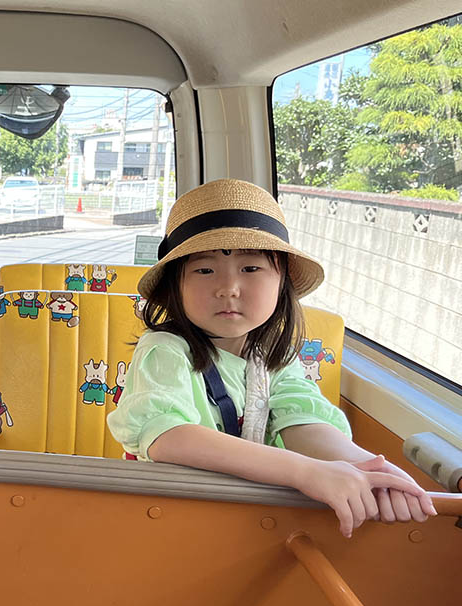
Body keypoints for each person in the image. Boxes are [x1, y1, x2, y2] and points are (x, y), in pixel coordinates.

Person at [107, 179, 435, 538]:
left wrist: (362, 466)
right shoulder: (164, 350)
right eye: (204, 270)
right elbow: (169, 437)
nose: (228, 288)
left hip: (245, 522)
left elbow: (304, 423)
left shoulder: (274, 361)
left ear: (282, 285)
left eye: (251, 269)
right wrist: (305, 472)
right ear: (176, 287)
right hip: (167, 519)